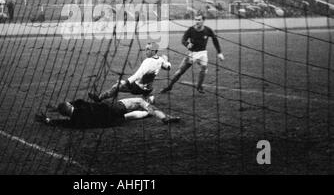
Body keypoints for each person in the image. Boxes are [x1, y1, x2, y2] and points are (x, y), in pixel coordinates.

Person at [160, 13, 224, 94]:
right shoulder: (191, 30)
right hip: (192, 53)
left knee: (204, 69)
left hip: (202, 53)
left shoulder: (208, 30)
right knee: (180, 72)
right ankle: (169, 87)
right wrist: (187, 44)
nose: (197, 21)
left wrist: (219, 53)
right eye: (196, 19)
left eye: (199, 19)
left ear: (203, 20)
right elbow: (183, 40)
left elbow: (215, 40)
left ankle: (199, 87)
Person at [88, 42, 171, 102]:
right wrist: (166, 60)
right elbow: (168, 67)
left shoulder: (147, 61)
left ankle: (99, 99)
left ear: (153, 51)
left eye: (148, 49)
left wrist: (126, 82)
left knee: (116, 86)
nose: (146, 51)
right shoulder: (160, 60)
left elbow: (138, 75)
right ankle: (149, 98)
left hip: (137, 88)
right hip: (148, 89)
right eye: (145, 49)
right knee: (146, 97)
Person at [35, 97, 180, 128]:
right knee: (140, 101)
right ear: (69, 105)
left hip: (109, 122)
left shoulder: (75, 121)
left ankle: (148, 113)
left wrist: (48, 120)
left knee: (129, 117)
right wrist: (56, 107)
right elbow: (75, 102)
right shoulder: (80, 104)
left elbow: (63, 122)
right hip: (113, 107)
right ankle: (163, 117)